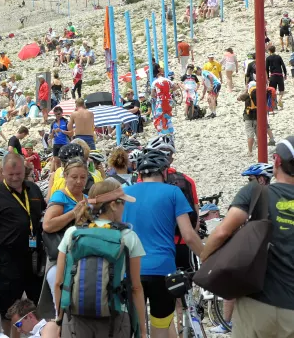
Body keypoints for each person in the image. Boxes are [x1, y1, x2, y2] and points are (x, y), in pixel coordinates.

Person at [201, 138, 294, 338]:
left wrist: (204, 258)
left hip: (257, 301)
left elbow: (222, 232)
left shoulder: (256, 191)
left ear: (276, 161)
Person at [122, 150, 203, 338]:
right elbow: (188, 235)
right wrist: (208, 257)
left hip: (131, 270)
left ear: (140, 173)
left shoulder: (124, 193)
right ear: (164, 171)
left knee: (135, 328)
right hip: (162, 269)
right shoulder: (173, 192)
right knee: (161, 327)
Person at [54, 178, 148, 336]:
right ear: (113, 205)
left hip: (75, 318)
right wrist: (142, 330)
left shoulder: (72, 233)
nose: (124, 208)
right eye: (122, 203)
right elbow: (136, 288)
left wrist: (59, 320)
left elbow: (58, 283)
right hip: (116, 317)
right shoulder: (128, 236)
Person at [0, 153, 45, 316]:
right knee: (6, 309)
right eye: (10, 175)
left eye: (18, 174)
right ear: (4, 173)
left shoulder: (33, 189)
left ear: (24, 170)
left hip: (35, 257)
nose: (15, 178)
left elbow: (43, 214)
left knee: (37, 306)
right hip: (9, 258)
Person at [40, 158, 87, 316]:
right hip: (60, 259)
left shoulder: (86, 198)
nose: (79, 181)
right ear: (65, 177)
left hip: (81, 259)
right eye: (74, 177)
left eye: (83, 177)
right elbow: (47, 225)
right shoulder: (60, 197)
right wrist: (74, 213)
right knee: (62, 309)